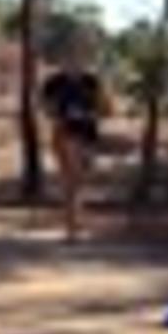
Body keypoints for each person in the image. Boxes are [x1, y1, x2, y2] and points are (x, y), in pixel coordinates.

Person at [41, 41, 111, 241]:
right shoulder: (54, 82)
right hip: (65, 132)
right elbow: (45, 105)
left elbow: (106, 108)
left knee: (79, 180)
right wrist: (58, 115)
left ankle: (74, 222)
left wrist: (91, 113)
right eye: (69, 57)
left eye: (78, 57)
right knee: (71, 180)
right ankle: (71, 228)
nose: (73, 61)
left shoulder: (92, 81)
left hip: (87, 133)